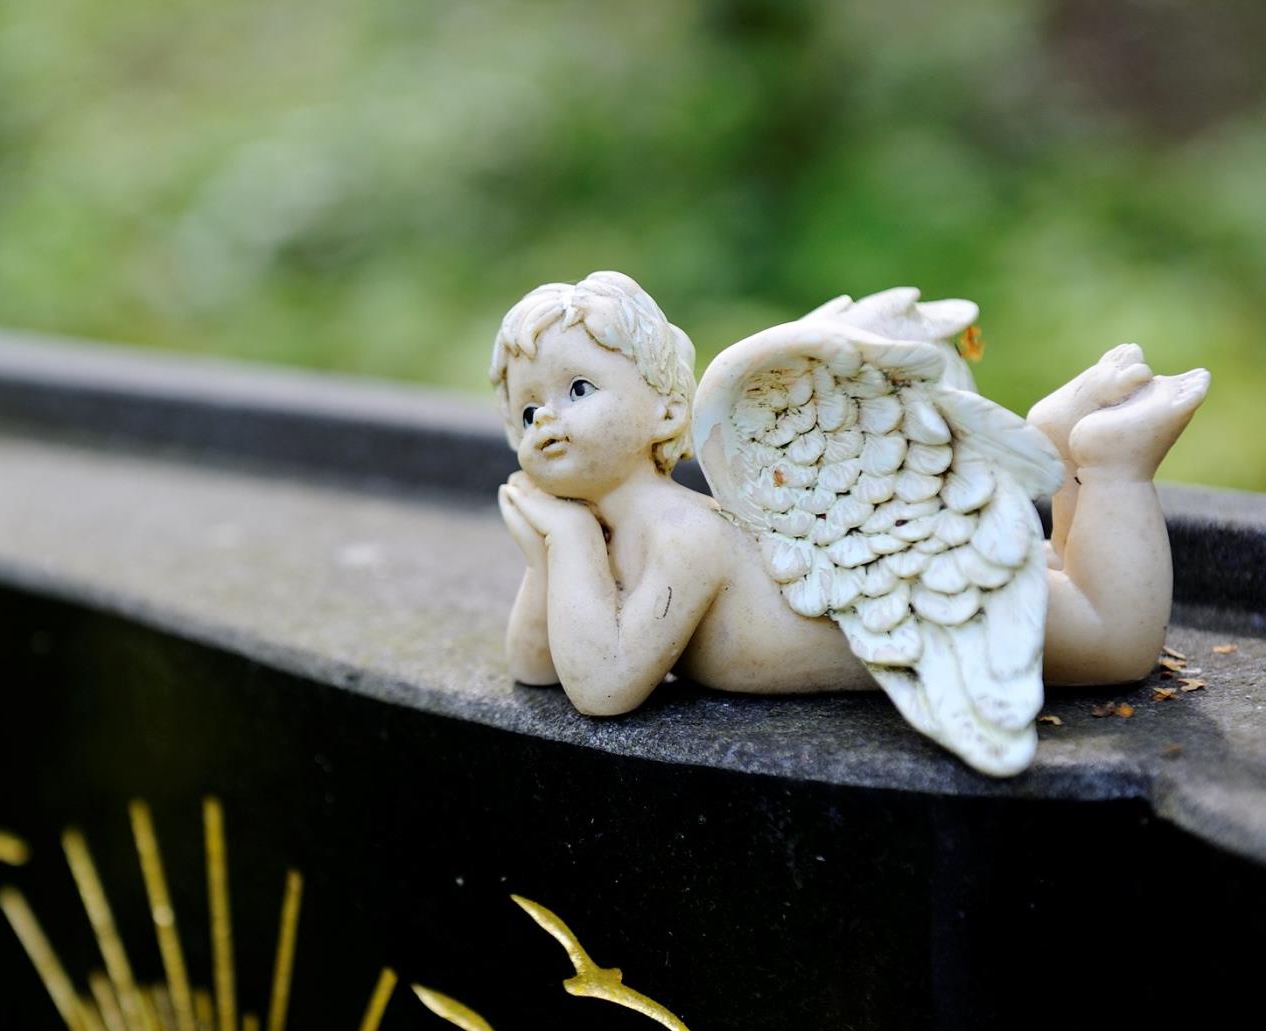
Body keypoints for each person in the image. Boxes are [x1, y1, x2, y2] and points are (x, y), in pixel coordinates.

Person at [494, 271, 1209, 726]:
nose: (545, 418)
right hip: (902, 597)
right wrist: (546, 550)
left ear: (667, 412)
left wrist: (568, 540)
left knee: (1112, 639)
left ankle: (1110, 465)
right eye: (527, 411)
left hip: (924, 615)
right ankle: (1059, 440)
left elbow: (605, 686)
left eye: (578, 388)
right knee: (1052, 581)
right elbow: (538, 667)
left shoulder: (683, 534)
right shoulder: (617, 534)